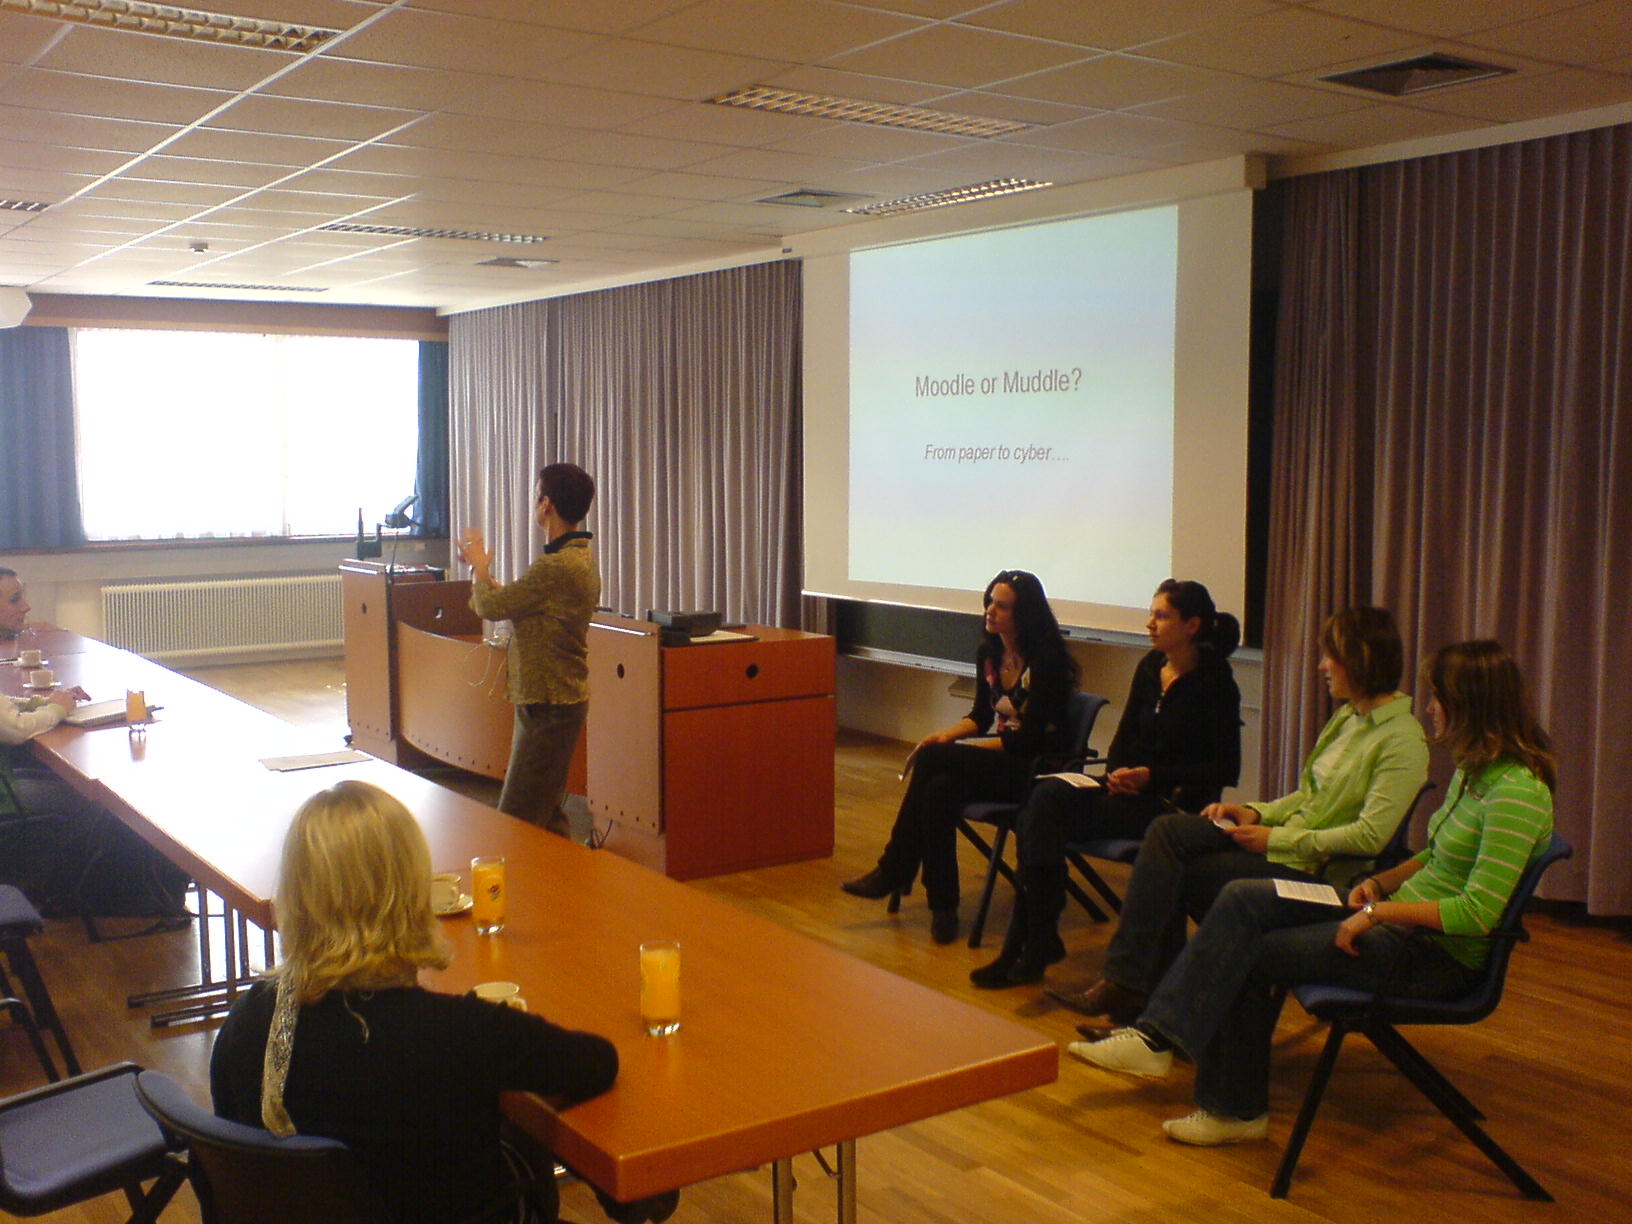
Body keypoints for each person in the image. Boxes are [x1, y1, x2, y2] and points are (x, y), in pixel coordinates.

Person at [1067, 640, 1554, 1147]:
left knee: (1249, 950)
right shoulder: (1476, 773)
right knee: (1242, 899)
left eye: (1438, 697)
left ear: (1469, 707)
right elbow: (1435, 857)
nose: (1430, 706)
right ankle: (1160, 1040)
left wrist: (1378, 910)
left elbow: (1477, 913)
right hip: (1389, 917)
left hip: (1431, 955)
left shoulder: (1515, 792)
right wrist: (1381, 883)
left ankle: (1227, 1103)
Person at [211, 780, 676, 1224]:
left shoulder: (250, 1019)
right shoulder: (464, 1032)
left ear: (297, 894)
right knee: (520, 1121)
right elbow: (597, 1062)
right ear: (410, 894)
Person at [1046, 606, 1428, 1022]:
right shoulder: (1349, 717)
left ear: (1362, 658)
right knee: (1169, 833)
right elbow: (1307, 799)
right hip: (1288, 851)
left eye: (1330, 656)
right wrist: (1252, 811)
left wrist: (1274, 838)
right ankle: (1137, 993)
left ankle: (1144, 999)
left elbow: (1369, 838)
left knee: (1174, 872)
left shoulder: (1401, 741)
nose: (1322, 666)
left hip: (1321, 876)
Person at [971, 579, 1241, 988]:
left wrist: (1152, 777)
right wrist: (1117, 772)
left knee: (1042, 812)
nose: (1150, 623)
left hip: (1170, 805)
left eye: (1162, 616)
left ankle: (1032, 945)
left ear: (1192, 626)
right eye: (1150, 613)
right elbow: (1124, 738)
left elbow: (1224, 768)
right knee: (1042, 798)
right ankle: (1032, 941)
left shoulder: (1216, 683)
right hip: (1125, 792)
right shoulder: (1151, 667)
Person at [842, 570, 1078, 944]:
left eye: (1002, 606)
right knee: (937, 788)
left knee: (937, 761)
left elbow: (1031, 740)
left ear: (1025, 614)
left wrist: (962, 750)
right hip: (1002, 760)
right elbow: (982, 717)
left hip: (1038, 769)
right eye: (989, 602)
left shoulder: (1047, 662)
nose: (990, 611)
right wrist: (945, 736)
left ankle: (894, 869)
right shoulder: (990, 653)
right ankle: (943, 907)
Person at [457, 464, 600, 839]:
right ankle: (565, 891)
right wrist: (483, 574)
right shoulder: (576, 557)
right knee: (547, 815)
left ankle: (522, 895)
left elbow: (492, 607)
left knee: (516, 819)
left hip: (549, 703)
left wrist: (478, 569)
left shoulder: (558, 565)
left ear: (546, 504)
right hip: (554, 699)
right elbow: (517, 601)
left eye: (538, 495)